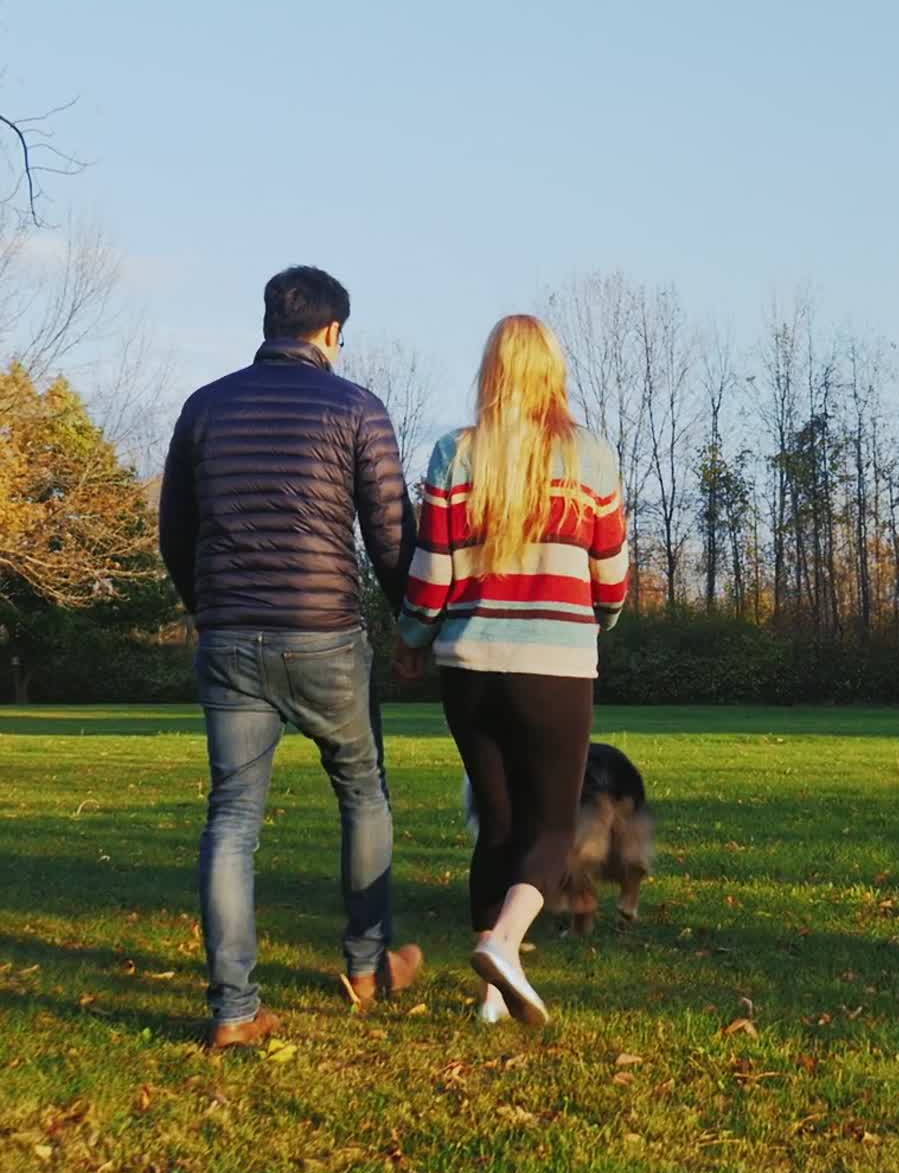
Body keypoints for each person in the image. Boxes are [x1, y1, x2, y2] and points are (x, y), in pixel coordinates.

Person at [159, 265, 422, 1048]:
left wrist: (206, 608)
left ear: (271, 323)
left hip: (231, 637)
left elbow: (177, 531)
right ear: (334, 332)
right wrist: (411, 618)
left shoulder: (204, 407)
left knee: (233, 821)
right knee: (362, 790)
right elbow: (388, 536)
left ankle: (235, 1011)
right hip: (325, 636)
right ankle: (368, 968)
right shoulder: (357, 408)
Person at [393, 314, 628, 1026]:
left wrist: (410, 637)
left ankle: (492, 999)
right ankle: (503, 943)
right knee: (552, 827)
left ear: (490, 373)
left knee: (495, 824)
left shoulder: (452, 454)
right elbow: (611, 579)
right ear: (553, 372)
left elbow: (431, 575)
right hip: (554, 669)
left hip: (468, 667)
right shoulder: (590, 457)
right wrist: (601, 621)